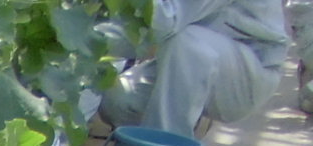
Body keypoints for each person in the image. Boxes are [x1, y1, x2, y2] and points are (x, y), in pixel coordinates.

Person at [100, 0, 290, 135]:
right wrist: (89, 41)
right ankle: (175, 133)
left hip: (248, 72)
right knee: (119, 99)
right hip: (192, 55)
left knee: (186, 42)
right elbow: (139, 33)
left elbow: (164, 20)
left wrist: (91, 37)